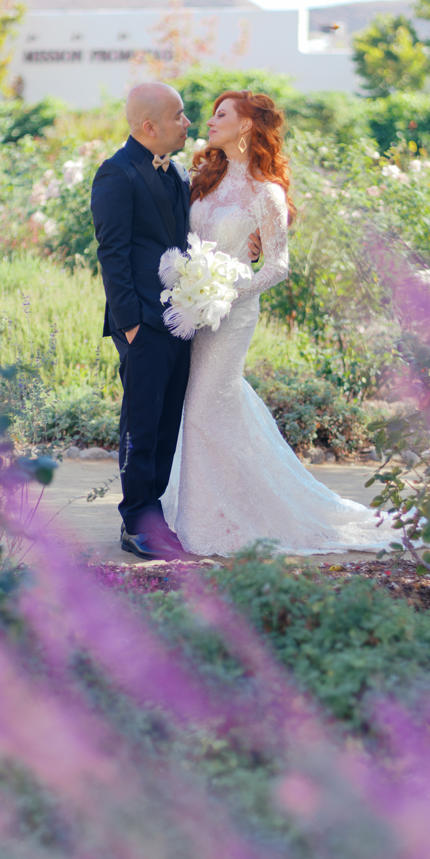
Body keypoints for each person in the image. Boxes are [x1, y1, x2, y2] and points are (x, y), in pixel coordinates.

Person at [161, 90, 393, 557]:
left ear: (247, 125)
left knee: (208, 405)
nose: (209, 121)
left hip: (233, 310)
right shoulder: (202, 177)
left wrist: (227, 290)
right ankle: (209, 510)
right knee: (205, 406)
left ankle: (233, 517)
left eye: (221, 115)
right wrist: (193, 287)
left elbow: (277, 266)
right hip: (193, 308)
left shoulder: (266, 192)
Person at [90, 83, 195, 559]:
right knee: (141, 423)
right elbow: (111, 253)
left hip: (179, 319)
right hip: (143, 324)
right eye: (179, 115)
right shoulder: (116, 173)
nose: (187, 122)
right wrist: (130, 324)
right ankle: (136, 521)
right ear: (149, 126)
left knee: (167, 421)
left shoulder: (173, 171)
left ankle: (156, 515)